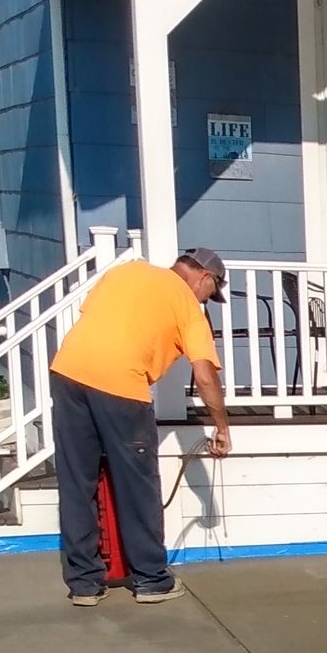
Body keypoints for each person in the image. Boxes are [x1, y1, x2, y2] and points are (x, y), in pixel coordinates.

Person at [50, 247, 234, 606]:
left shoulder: (125, 272)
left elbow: (96, 318)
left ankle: (84, 585)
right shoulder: (187, 305)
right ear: (204, 278)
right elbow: (205, 375)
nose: (207, 300)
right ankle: (151, 579)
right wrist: (222, 428)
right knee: (137, 484)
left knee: (76, 481)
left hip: (68, 371)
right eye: (211, 293)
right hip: (121, 384)